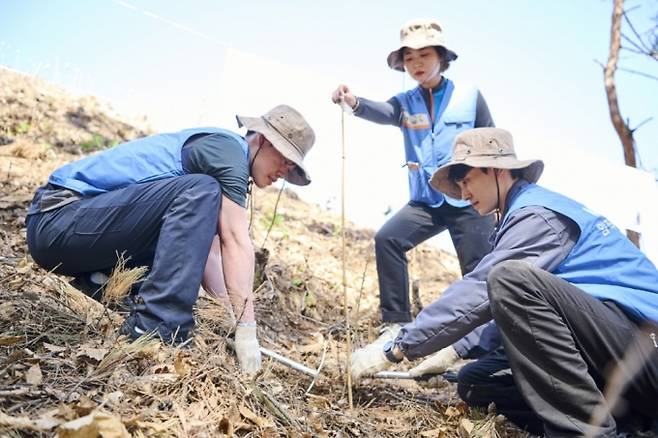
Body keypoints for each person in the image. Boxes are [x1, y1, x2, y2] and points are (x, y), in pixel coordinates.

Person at [350, 127, 658, 436]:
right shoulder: (519, 216)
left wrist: (397, 347)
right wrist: (456, 349)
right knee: (476, 381)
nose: (463, 193)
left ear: (496, 170)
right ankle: (633, 424)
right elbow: (525, 313)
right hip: (620, 354)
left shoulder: (538, 216)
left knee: (508, 278)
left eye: (467, 180)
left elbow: (485, 289)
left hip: (647, 346)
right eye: (457, 184)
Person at [25, 104, 315, 375]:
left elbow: (210, 255)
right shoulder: (227, 151)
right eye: (285, 159)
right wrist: (247, 326)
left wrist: (229, 319)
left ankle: (101, 282)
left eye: (293, 167)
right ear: (262, 140)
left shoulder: (221, 170)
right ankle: (155, 326)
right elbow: (236, 241)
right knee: (203, 190)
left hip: (78, 234)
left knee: (204, 197)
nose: (285, 172)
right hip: (59, 219)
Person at [331, 18, 495, 346]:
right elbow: (380, 110)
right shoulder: (405, 103)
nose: (416, 63)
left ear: (441, 57)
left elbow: (492, 145)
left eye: (424, 55)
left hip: (470, 200)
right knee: (388, 239)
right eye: (408, 57)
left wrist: (499, 199)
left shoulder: (469, 96)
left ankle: (485, 341)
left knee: (479, 272)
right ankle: (395, 324)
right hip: (427, 199)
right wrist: (353, 102)